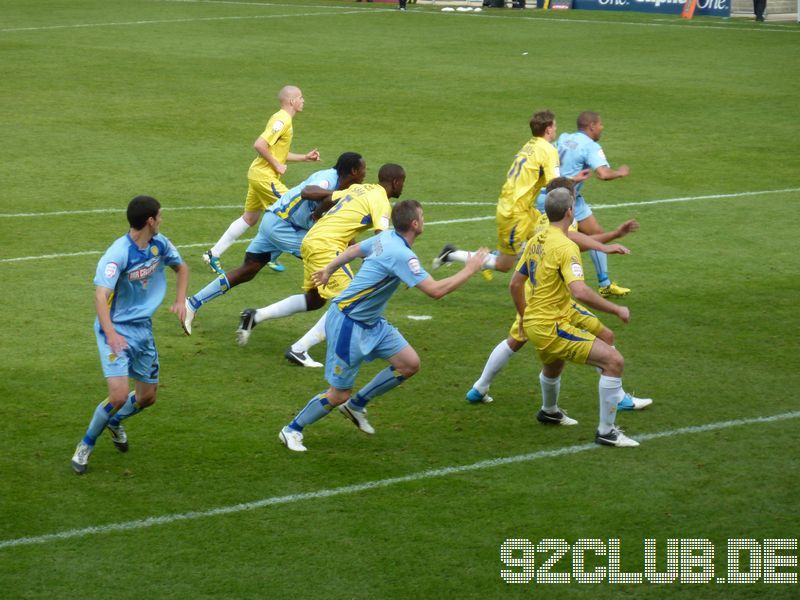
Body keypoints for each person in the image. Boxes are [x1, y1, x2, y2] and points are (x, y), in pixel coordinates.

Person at [278, 200, 489, 452]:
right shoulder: (401, 253)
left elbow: (355, 250)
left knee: (409, 364)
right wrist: (471, 268)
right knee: (338, 394)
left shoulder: (386, 238)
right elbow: (435, 290)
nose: (424, 219)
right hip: (349, 323)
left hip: (372, 322)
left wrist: (328, 269)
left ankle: (356, 405)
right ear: (414, 224)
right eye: (422, 216)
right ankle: (292, 429)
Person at [464, 178, 648, 409]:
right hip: (546, 301)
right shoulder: (564, 226)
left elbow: (575, 238)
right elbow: (574, 245)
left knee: (527, 342)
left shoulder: (544, 222)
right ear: (568, 206)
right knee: (525, 343)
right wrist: (611, 240)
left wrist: (605, 244)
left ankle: (482, 388)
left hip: (536, 294)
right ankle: (610, 400)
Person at [513, 188, 652, 447]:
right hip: (551, 323)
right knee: (613, 361)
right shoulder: (566, 247)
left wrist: (524, 317)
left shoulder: (536, 240)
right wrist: (616, 309)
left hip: (537, 321)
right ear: (570, 212)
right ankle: (607, 432)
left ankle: (549, 412)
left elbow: (514, 284)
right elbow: (579, 291)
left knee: (554, 364)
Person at [236, 164, 406, 368]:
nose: (403, 186)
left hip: (311, 240)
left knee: (315, 299)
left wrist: (316, 216)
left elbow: (328, 199)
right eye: (403, 182)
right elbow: (383, 240)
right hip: (326, 247)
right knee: (349, 301)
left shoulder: (361, 188)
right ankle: (299, 349)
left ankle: (256, 315)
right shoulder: (381, 202)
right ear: (396, 182)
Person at [182, 153, 366, 335]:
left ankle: (193, 303)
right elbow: (307, 192)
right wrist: (338, 194)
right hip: (283, 225)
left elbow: (341, 228)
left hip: (276, 222)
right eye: (363, 170)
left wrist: (360, 251)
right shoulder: (328, 179)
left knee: (251, 270)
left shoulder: (344, 191)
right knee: (331, 266)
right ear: (354, 170)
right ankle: (309, 345)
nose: (365, 174)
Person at [71, 196, 189, 474]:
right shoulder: (118, 253)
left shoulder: (160, 244)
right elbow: (101, 296)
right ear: (150, 220)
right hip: (115, 330)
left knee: (147, 397)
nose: (161, 220)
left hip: (142, 330)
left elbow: (181, 267)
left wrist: (181, 300)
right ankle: (86, 444)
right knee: (119, 396)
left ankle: (114, 421)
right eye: (159, 216)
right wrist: (110, 334)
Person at [431, 110, 589, 274]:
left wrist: (573, 178)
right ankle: (452, 254)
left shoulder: (531, 145)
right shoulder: (548, 150)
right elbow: (554, 185)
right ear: (548, 129)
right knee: (503, 264)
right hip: (514, 214)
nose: (556, 129)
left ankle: (547, 282)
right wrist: (570, 196)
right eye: (554, 126)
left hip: (524, 209)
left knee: (551, 238)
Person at [202, 85, 320, 275]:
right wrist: (276, 165)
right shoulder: (282, 120)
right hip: (264, 177)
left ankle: (213, 254)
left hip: (259, 174)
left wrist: (304, 158)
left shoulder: (283, 119)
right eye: (300, 97)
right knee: (294, 211)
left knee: (250, 218)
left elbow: (277, 152)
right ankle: (273, 256)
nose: (303, 100)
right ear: (292, 101)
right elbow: (259, 144)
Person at [536, 111, 631, 297]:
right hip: (557, 200)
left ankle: (605, 284)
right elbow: (603, 174)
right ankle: (493, 259)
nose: (602, 128)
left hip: (570, 197)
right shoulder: (590, 146)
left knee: (596, 233)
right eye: (600, 124)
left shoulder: (565, 138)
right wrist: (620, 172)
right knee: (547, 243)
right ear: (592, 126)